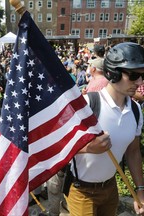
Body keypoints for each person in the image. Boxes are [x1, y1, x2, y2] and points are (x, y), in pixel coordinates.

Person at [66, 42, 144, 216]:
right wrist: (88, 148)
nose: (139, 82)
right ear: (114, 73)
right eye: (133, 75)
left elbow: (133, 151)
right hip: (82, 192)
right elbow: (58, 145)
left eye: (142, 76)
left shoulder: (136, 110)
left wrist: (140, 189)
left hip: (111, 188)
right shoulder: (88, 105)